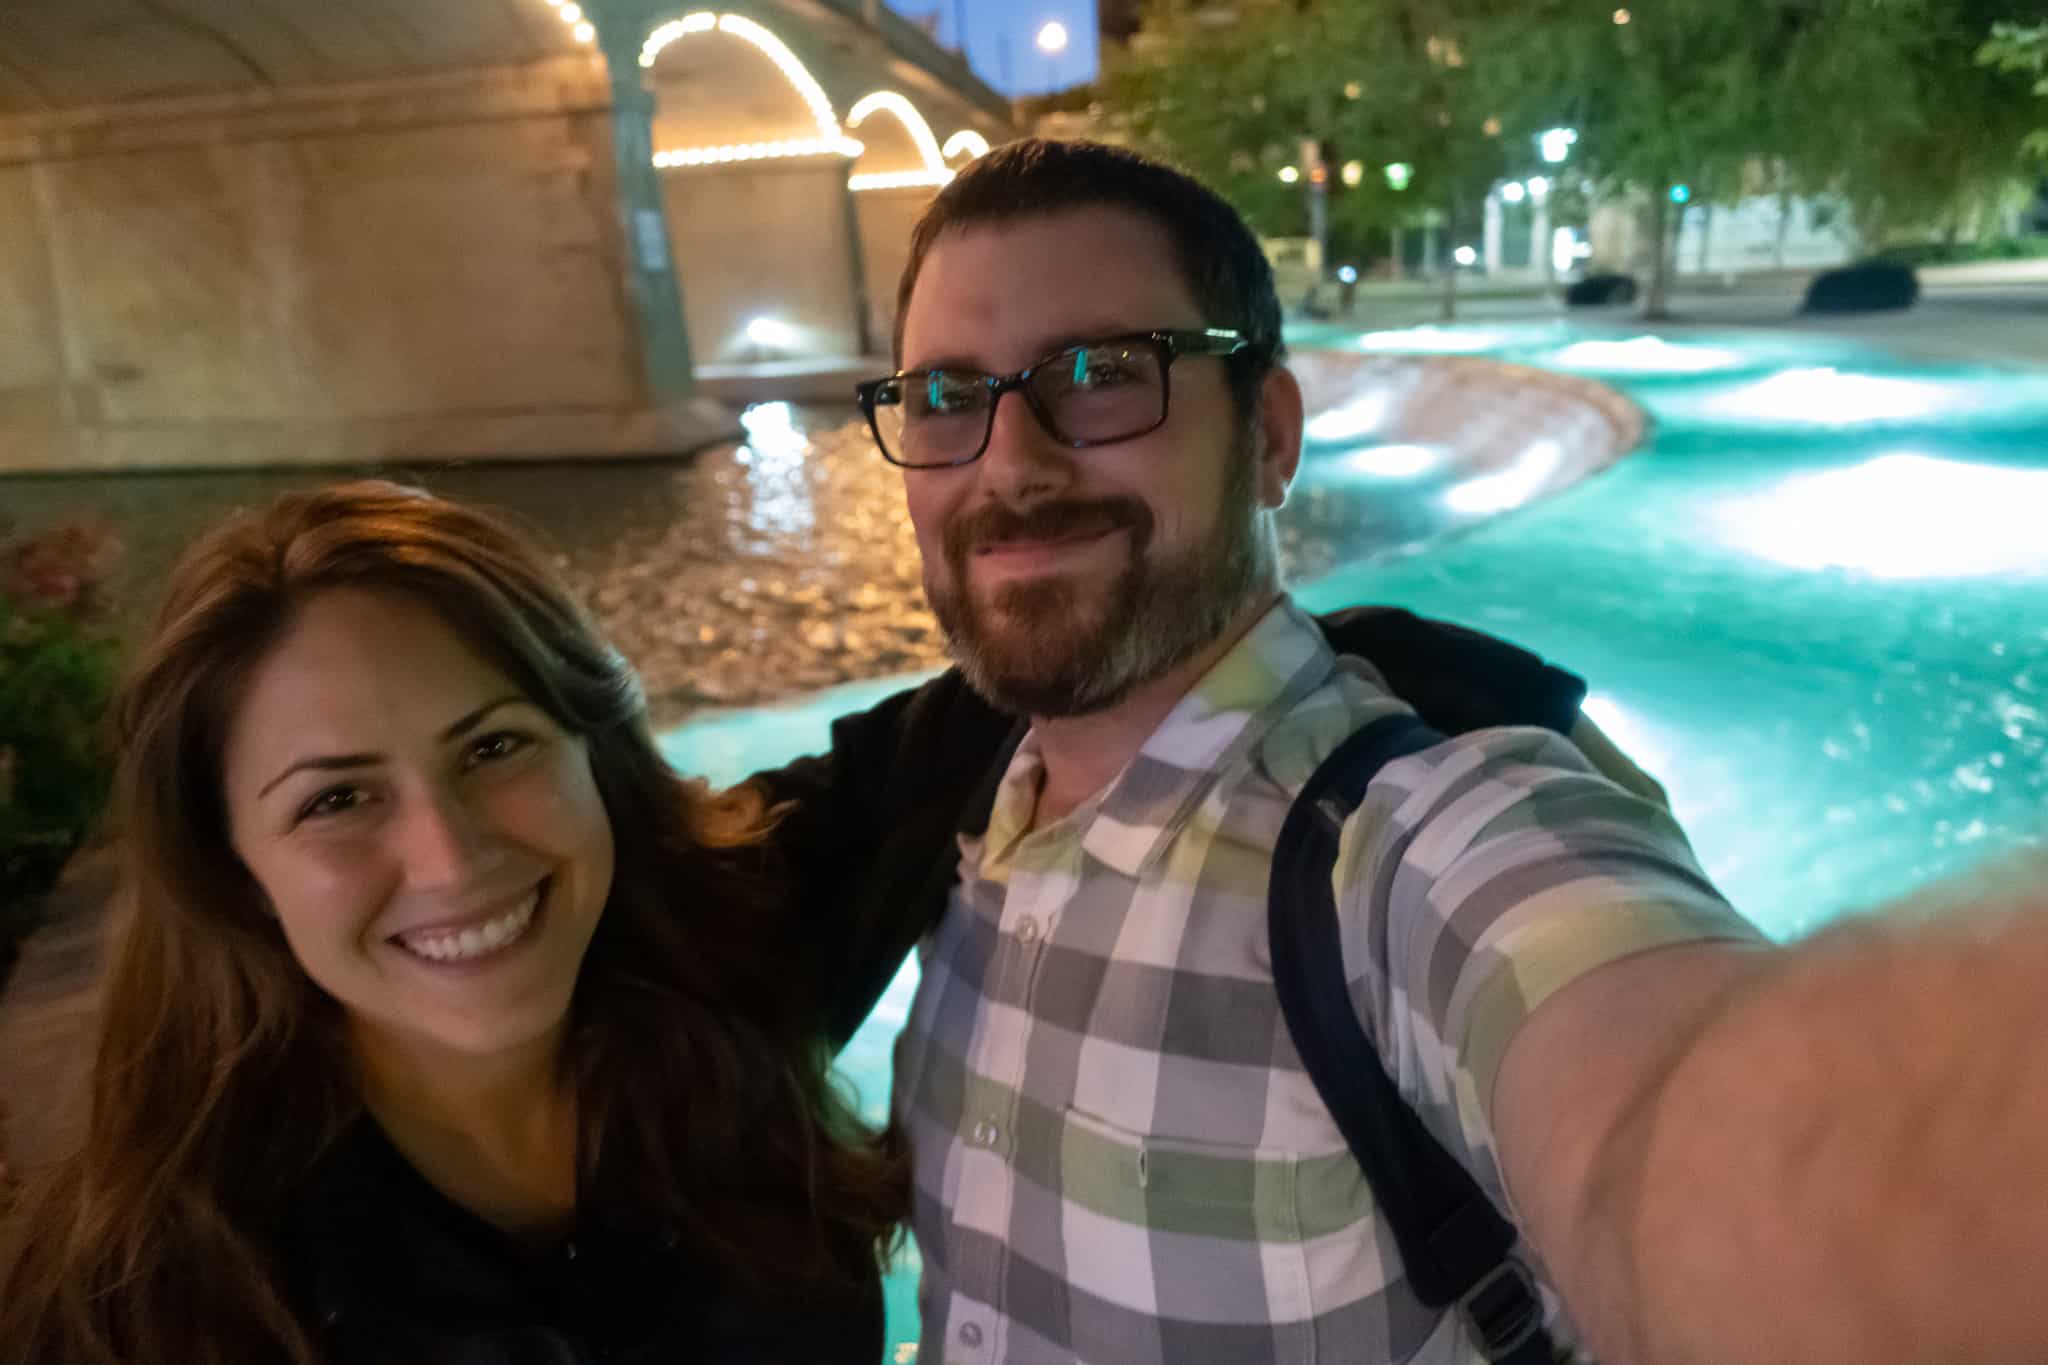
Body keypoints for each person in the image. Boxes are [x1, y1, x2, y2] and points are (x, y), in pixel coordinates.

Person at [787, 137, 2048, 1364]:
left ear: (1269, 436)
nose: (1011, 462)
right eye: (948, 397)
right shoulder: (953, 825)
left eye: (1104, 371)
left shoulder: (1405, 845)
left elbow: (1670, 1116)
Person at [0, 482, 901, 1365]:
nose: (452, 860)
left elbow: (997, 692)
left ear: (597, 753)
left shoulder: (733, 942)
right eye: (338, 799)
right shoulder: (143, 1302)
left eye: (495, 746)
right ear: (234, 870)